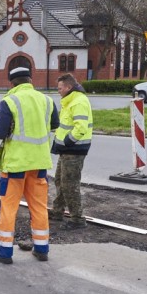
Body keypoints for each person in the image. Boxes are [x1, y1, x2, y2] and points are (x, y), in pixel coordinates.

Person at [0, 64, 58, 264]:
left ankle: (4, 252)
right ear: (30, 80)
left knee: (9, 208)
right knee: (39, 207)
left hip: (16, 165)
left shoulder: (9, 101)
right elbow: (55, 124)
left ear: (12, 82)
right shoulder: (46, 100)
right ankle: (42, 248)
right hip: (39, 164)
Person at [50, 73, 93, 226]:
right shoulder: (69, 101)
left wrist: (68, 142)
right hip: (66, 149)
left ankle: (77, 218)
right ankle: (57, 211)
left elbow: (80, 128)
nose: (58, 91)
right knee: (60, 181)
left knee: (69, 184)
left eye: (60, 88)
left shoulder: (78, 102)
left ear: (68, 87)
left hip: (74, 150)